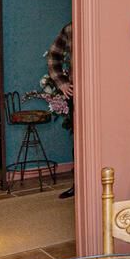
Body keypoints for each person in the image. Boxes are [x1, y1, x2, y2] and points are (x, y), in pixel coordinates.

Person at [46, 22, 75, 198]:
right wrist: (61, 82)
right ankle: (79, 184)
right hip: (77, 93)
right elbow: (53, 56)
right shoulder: (70, 28)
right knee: (79, 140)